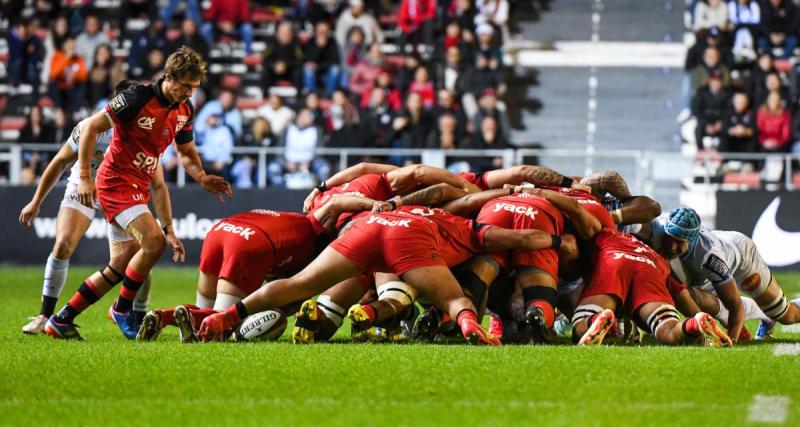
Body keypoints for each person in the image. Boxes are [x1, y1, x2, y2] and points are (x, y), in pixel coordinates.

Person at [45, 46, 232, 340]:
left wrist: (201, 176)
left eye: (194, 88)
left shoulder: (185, 109)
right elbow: (91, 128)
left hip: (137, 187)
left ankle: (62, 319)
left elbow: (185, 151)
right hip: (115, 183)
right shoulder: (136, 97)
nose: (189, 93)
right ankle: (123, 308)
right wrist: (83, 176)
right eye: (185, 86)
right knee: (154, 242)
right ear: (169, 76)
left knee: (120, 265)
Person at [20, 80, 167, 335]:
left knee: (141, 253)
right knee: (63, 243)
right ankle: (45, 315)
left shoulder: (143, 132)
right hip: (84, 188)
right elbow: (60, 162)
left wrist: (166, 224)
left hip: (121, 192)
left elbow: (158, 182)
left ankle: (139, 314)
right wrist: (36, 201)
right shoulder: (92, 127)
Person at [631, 207, 800, 342]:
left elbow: (735, 305)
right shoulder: (657, 230)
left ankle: (764, 313)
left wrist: (730, 340)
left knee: (787, 315)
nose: (672, 246)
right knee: (684, 292)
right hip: (701, 266)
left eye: (679, 243)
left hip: (742, 258)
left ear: (691, 241)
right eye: (670, 238)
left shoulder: (710, 257)